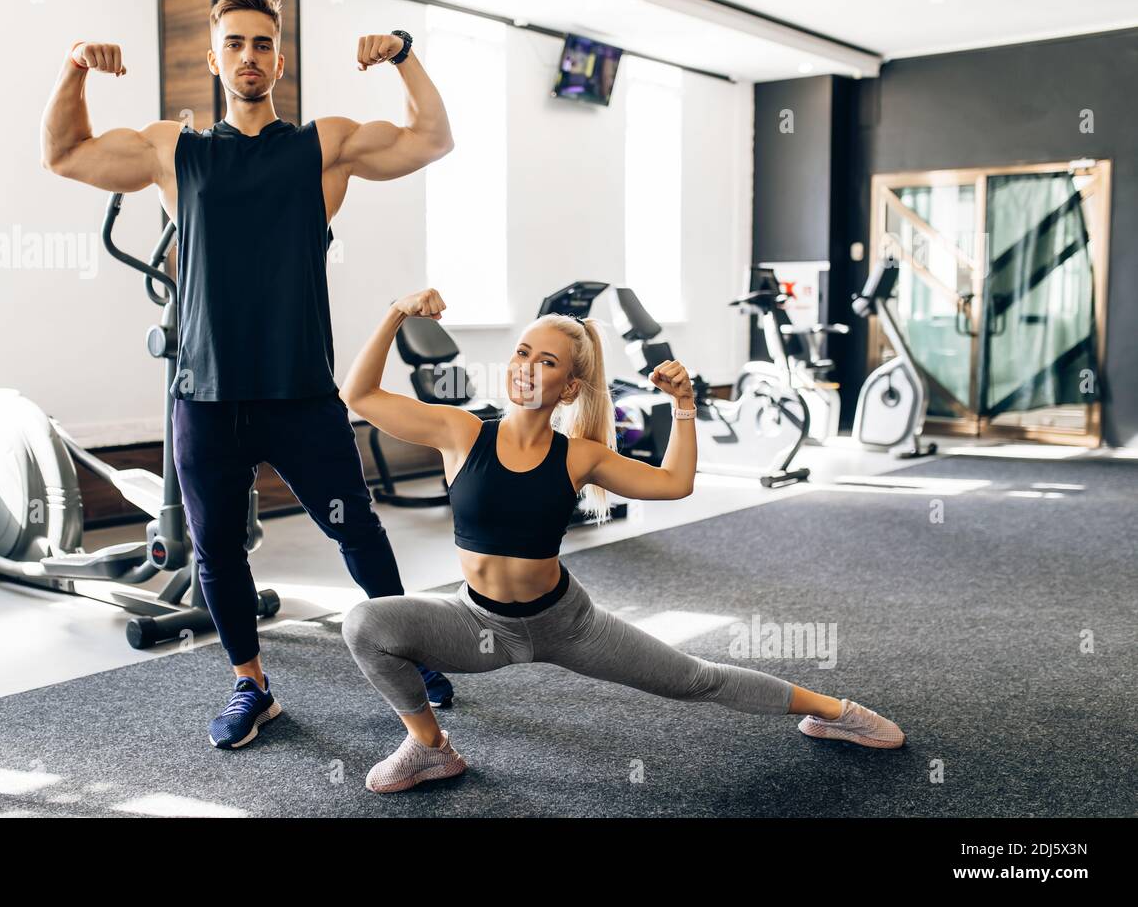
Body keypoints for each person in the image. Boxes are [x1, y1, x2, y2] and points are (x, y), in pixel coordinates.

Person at [39, 0, 457, 749]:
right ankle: (251, 685)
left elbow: (431, 139)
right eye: (235, 43)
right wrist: (74, 70)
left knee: (355, 529)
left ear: (279, 58)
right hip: (204, 394)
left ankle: (407, 650)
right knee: (217, 551)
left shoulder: (321, 146)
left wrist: (402, 52)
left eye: (262, 43)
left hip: (300, 389)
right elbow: (65, 154)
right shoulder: (176, 149)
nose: (249, 56)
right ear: (214, 58)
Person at [339, 288, 906, 793]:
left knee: (693, 680)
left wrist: (684, 407)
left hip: (565, 623)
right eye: (521, 353)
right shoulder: (461, 433)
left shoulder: (579, 456)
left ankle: (838, 711)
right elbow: (359, 395)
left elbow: (674, 484)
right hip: (478, 623)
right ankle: (431, 749)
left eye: (547, 361)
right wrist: (395, 313)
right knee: (366, 623)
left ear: (569, 388)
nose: (527, 368)